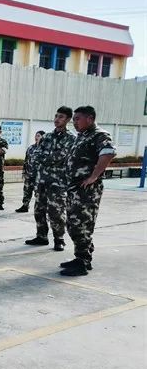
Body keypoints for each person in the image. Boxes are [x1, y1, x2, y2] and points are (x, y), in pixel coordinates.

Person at [61, 106, 116, 276]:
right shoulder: (83, 136)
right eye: (74, 119)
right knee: (73, 224)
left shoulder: (99, 135)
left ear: (90, 118)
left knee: (82, 224)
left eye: (78, 119)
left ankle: (83, 262)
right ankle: (81, 256)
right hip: (75, 189)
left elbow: (108, 152)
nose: (74, 122)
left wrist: (94, 176)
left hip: (87, 191)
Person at [25, 106, 75, 251]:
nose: (57, 119)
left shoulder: (71, 138)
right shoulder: (46, 137)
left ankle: (59, 239)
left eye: (61, 117)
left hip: (58, 183)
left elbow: (62, 156)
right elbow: (35, 155)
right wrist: (49, 158)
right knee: (39, 210)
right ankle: (41, 236)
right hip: (42, 180)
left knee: (56, 212)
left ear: (68, 119)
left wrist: (46, 157)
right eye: (56, 116)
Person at [16, 130, 44, 213]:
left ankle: (39, 208)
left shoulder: (45, 149)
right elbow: (26, 161)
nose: (36, 137)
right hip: (29, 174)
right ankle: (25, 206)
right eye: (36, 135)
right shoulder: (31, 148)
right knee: (26, 190)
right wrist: (24, 172)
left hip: (39, 176)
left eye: (38, 136)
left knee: (38, 193)